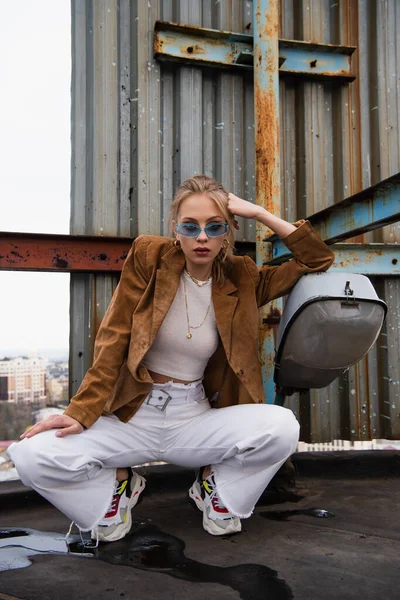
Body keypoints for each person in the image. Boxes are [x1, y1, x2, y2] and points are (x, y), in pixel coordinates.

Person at [8, 175, 334, 543]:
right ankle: (116, 489)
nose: (202, 237)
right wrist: (80, 413)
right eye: (190, 226)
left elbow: (317, 258)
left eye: (214, 227)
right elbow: (114, 336)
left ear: (227, 232)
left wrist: (259, 212)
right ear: (174, 228)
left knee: (282, 428)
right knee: (31, 455)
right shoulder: (150, 257)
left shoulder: (242, 277)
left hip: (192, 419)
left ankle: (216, 489)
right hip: (132, 414)